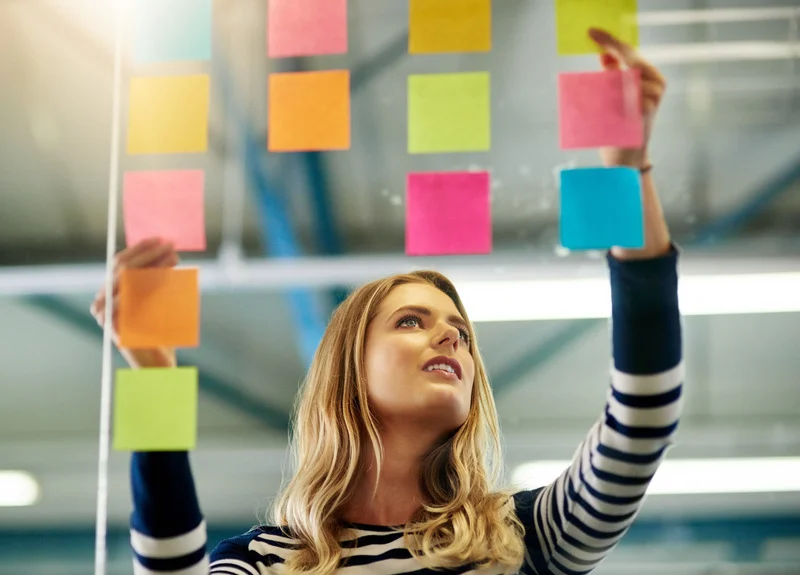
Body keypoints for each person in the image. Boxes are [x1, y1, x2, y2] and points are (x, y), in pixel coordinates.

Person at [91, 28, 683, 575]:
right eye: (410, 321)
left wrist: (625, 175)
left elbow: (643, 416)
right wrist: (152, 376)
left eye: (462, 333)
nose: (452, 337)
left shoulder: (524, 535)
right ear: (350, 365)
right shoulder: (264, 561)